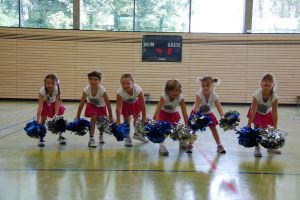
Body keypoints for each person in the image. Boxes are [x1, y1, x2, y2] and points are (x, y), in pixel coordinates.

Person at [76, 71, 113, 148]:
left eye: (96, 79)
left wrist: (111, 116)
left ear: (99, 81)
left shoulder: (102, 89)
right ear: (89, 80)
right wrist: (78, 115)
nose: (93, 81)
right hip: (91, 106)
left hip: (101, 107)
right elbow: (82, 102)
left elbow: (108, 103)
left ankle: (101, 135)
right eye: (91, 79)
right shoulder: (86, 89)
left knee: (101, 122)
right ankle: (91, 139)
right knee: (93, 118)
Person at [247, 73, 279, 157]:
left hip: (267, 114)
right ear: (261, 84)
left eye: (270, 81)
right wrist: (249, 123)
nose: (267, 82)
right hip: (256, 113)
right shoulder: (256, 95)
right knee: (256, 130)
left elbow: (275, 113)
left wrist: (275, 127)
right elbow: (253, 110)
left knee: (267, 131)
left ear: (273, 85)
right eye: (264, 80)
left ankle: (270, 147)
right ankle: (257, 148)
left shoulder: (274, 97)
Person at [191, 76, 226, 154]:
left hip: (208, 114)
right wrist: (197, 115)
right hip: (198, 113)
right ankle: (190, 144)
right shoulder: (199, 94)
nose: (205, 88)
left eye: (207, 86)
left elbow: (219, 107)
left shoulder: (214, 96)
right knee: (194, 129)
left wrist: (223, 116)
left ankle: (219, 145)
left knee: (214, 129)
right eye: (203, 86)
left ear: (212, 86)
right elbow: (196, 105)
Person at [154, 79, 188, 155]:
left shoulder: (180, 98)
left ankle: (182, 142)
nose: (175, 93)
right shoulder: (163, 97)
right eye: (172, 91)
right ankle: (161, 146)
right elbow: (158, 109)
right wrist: (156, 121)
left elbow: (184, 112)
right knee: (162, 130)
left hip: (173, 114)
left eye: (177, 91)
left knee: (177, 129)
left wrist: (187, 124)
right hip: (163, 114)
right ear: (167, 91)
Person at [116, 73, 148, 146]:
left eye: (128, 83)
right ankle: (127, 137)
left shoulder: (138, 89)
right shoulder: (120, 92)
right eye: (123, 83)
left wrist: (144, 117)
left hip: (135, 103)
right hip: (125, 104)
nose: (125, 85)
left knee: (137, 119)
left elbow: (143, 105)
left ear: (133, 83)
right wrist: (118, 120)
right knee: (126, 121)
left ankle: (138, 134)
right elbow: (118, 107)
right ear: (120, 83)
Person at [36, 73, 66, 147]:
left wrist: (55, 115)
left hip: (54, 104)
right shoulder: (42, 91)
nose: (50, 85)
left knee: (59, 119)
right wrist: (37, 119)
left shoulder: (57, 90)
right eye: (48, 83)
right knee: (43, 120)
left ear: (56, 84)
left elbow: (56, 103)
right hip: (45, 104)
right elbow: (40, 106)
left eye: (52, 83)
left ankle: (60, 136)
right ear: (45, 83)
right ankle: (41, 137)